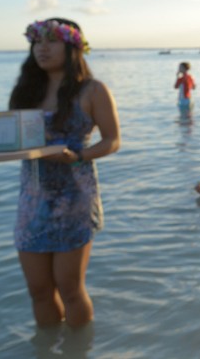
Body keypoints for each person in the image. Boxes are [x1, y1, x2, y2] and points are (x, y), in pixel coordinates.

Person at [9, 18, 121, 328]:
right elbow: (15, 139)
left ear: (72, 47)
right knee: (38, 290)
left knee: (70, 289)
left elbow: (113, 140)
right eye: (36, 42)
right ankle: (46, 348)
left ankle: (78, 349)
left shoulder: (93, 89)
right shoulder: (27, 90)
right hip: (32, 200)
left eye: (51, 41)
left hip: (74, 198)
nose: (41, 48)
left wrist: (77, 156)